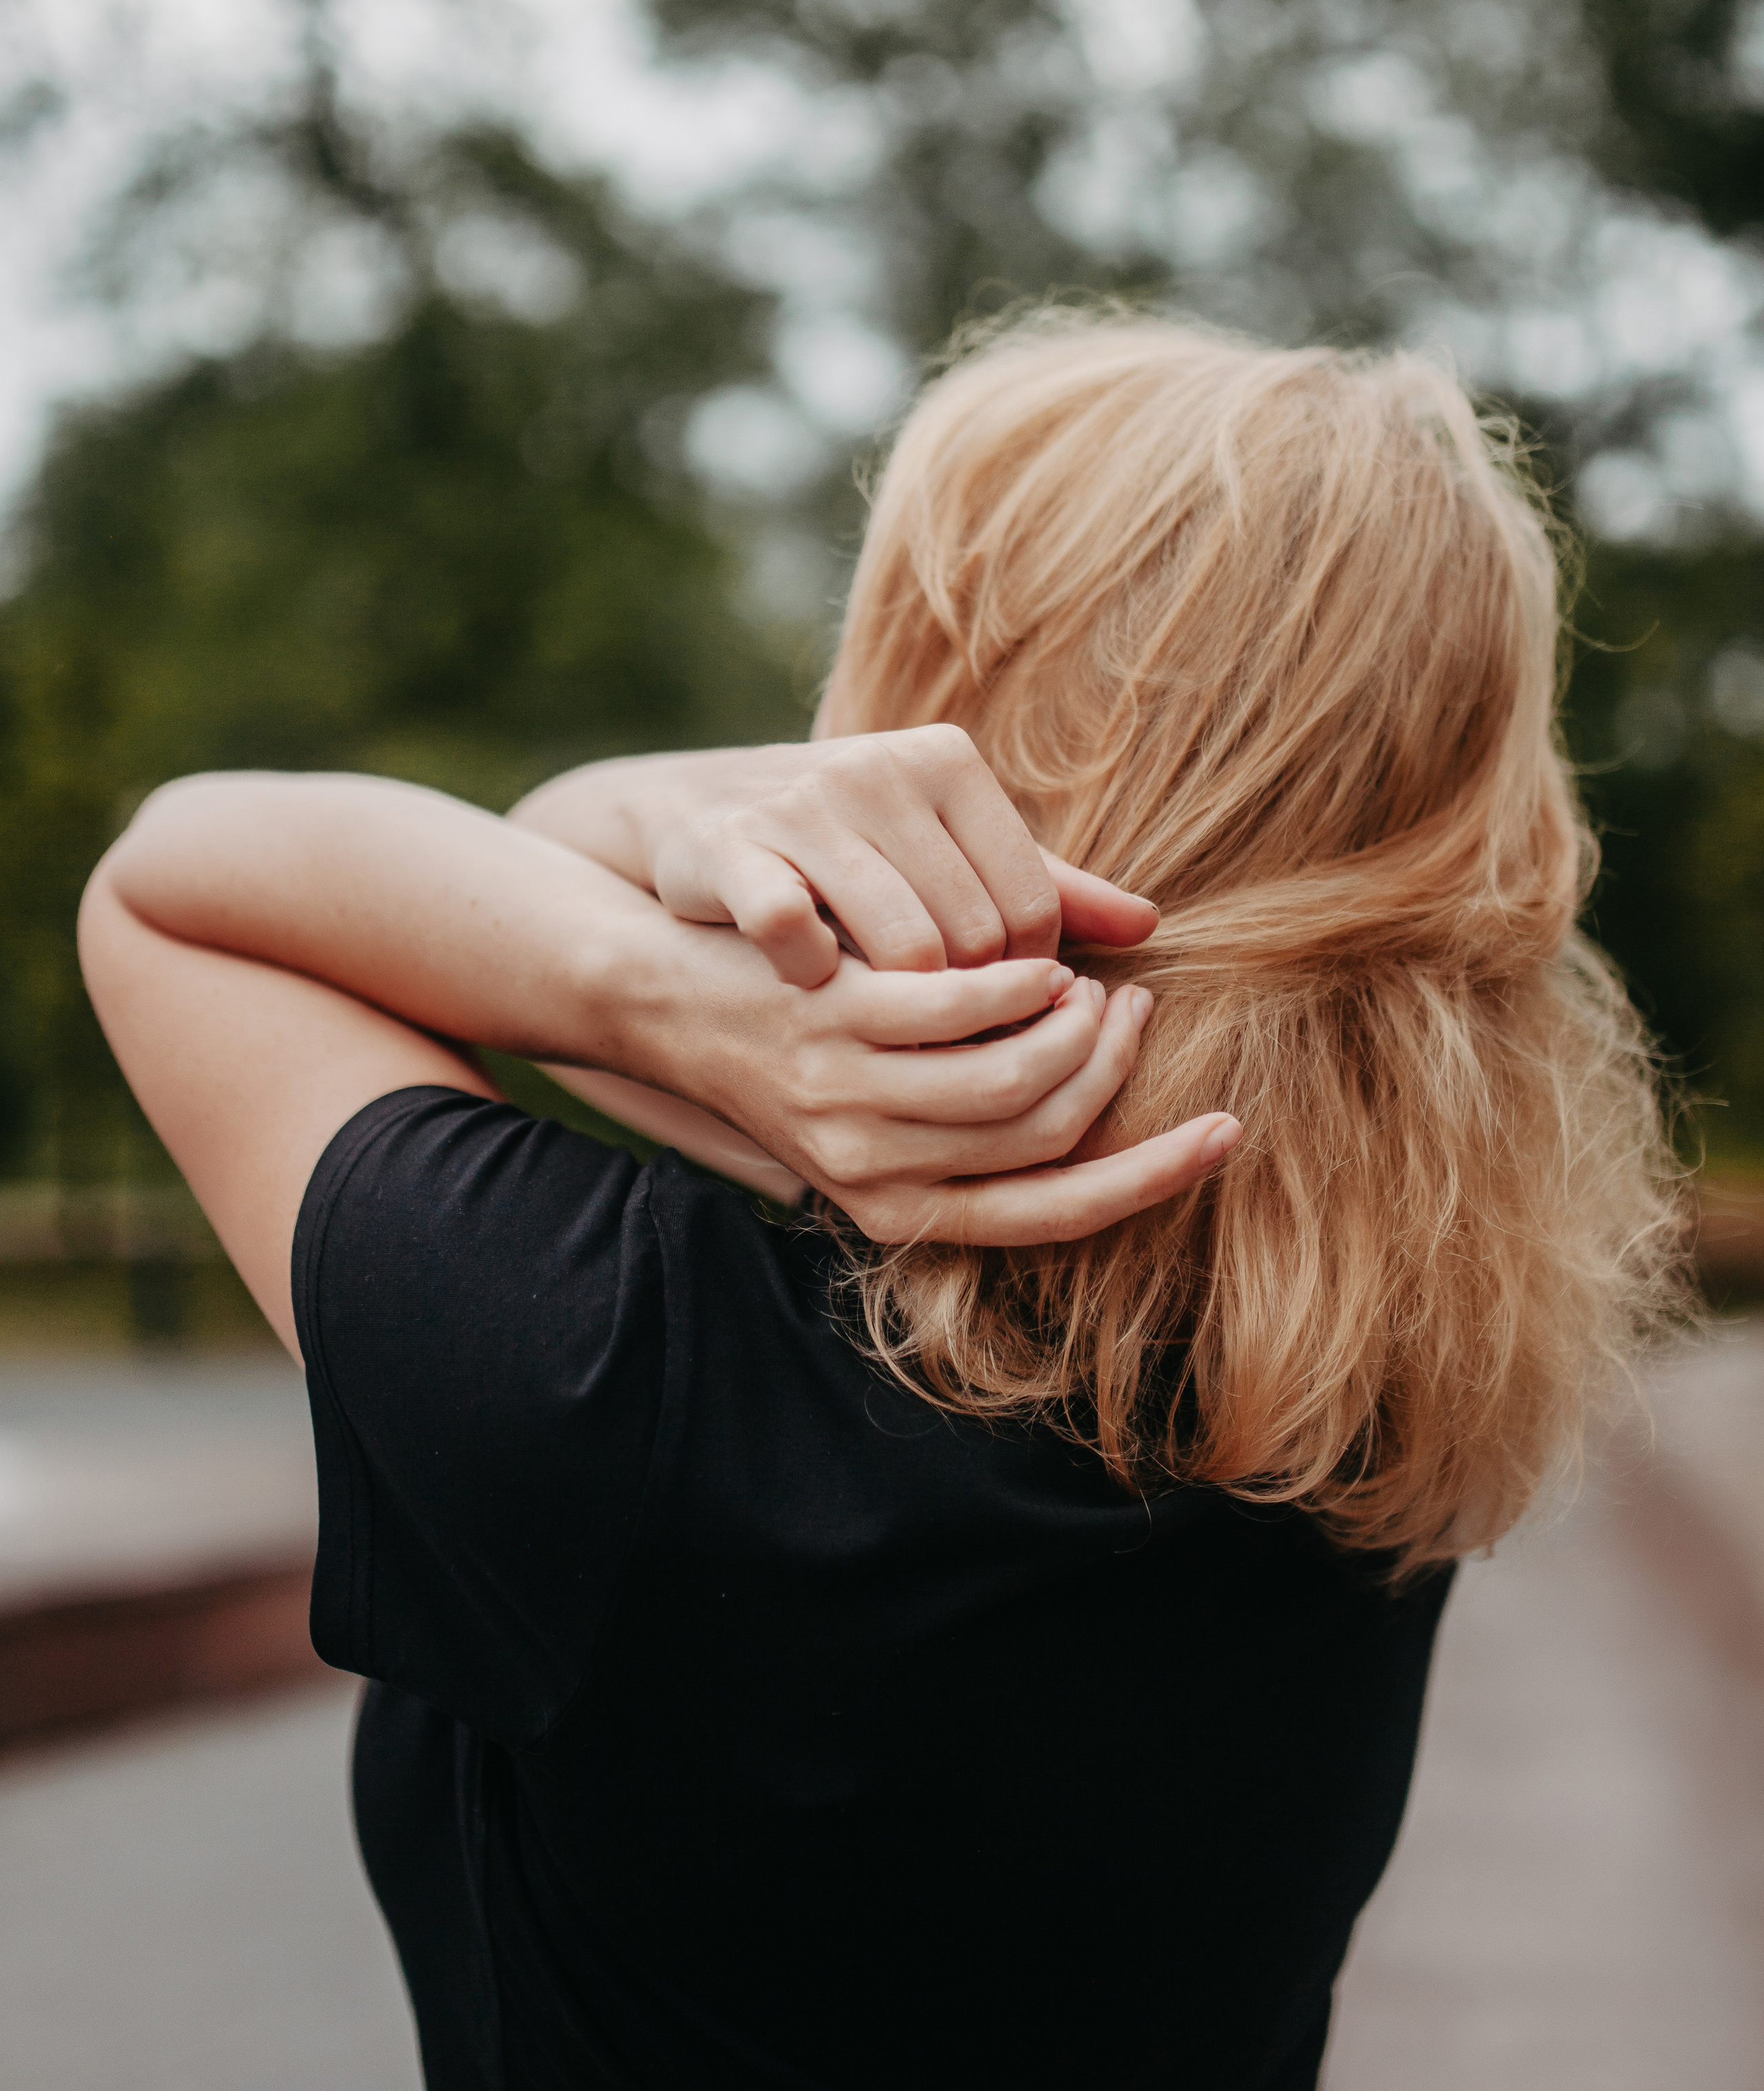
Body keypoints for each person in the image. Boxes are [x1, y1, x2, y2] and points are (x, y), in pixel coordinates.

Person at [79, 313, 1681, 2091]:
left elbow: (172, 879)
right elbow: (539, 857)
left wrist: (668, 988)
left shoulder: (623, 1372)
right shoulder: (1369, 1399)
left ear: (954, 739)